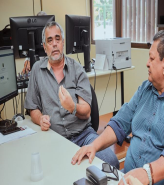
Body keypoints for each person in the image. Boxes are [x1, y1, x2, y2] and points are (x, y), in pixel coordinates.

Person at [72, 30, 164, 185]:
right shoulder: (145, 88)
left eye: (151, 58)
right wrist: (94, 145)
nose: (147, 64)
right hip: (131, 180)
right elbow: (120, 122)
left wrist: (147, 174)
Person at [24, 21, 119, 169]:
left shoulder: (77, 69)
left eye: (57, 39)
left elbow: (87, 111)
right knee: (53, 171)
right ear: (44, 47)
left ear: (63, 43)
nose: (54, 44)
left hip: (83, 135)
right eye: (50, 41)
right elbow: (32, 108)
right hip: (54, 138)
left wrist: (72, 107)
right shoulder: (37, 70)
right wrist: (40, 119)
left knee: (111, 161)